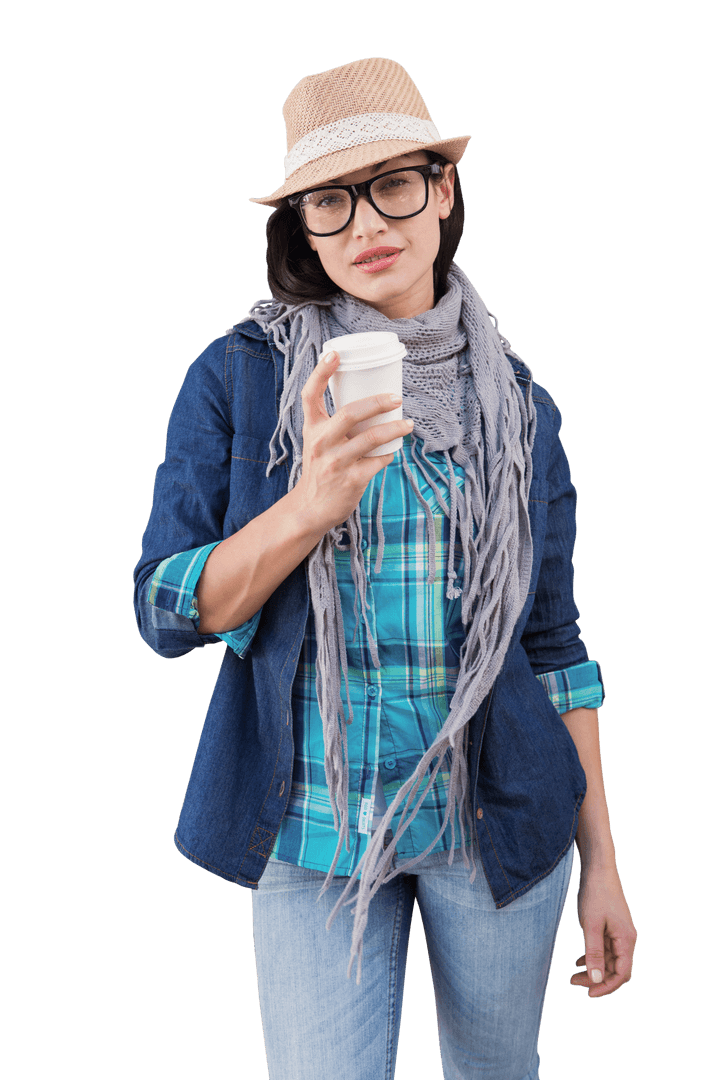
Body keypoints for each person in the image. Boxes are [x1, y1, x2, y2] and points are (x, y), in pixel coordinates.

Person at [134, 57, 637, 1080]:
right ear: (302, 227)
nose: (368, 223)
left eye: (394, 184)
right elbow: (164, 607)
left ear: (443, 190)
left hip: (493, 821)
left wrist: (606, 866)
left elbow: (556, 651)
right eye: (330, 200)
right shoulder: (242, 376)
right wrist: (309, 506)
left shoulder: (522, 407)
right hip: (314, 826)